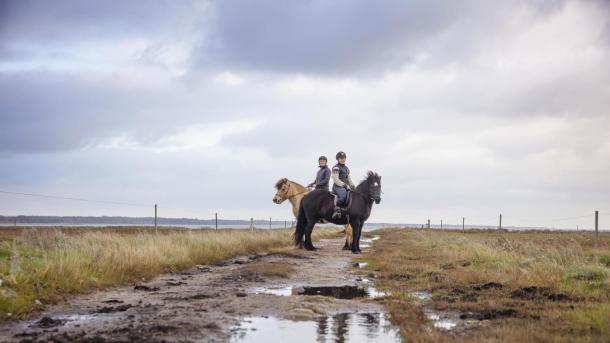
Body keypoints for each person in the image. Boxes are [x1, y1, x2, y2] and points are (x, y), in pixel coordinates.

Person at [331, 151, 355, 219]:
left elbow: (349, 179)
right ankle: (336, 210)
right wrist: (344, 185)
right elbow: (336, 179)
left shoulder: (346, 168)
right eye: (341, 158)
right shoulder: (335, 168)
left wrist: (352, 185)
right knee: (343, 196)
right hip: (337, 187)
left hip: (345, 187)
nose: (343, 159)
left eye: (344, 158)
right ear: (338, 159)